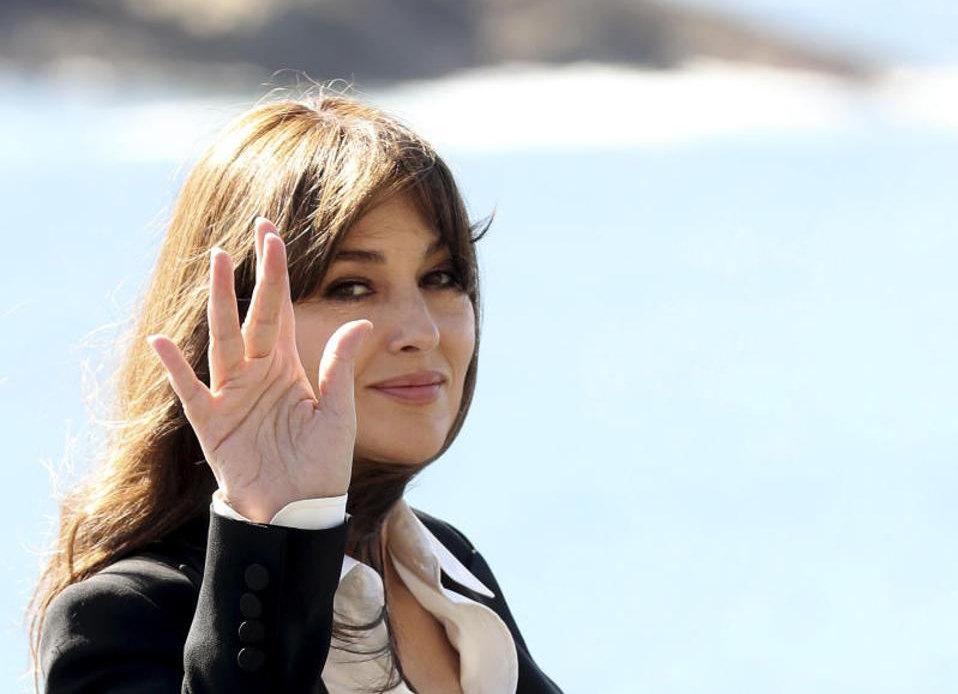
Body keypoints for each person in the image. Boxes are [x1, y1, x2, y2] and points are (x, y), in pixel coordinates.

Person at [28, 92, 563, 693]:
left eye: (440, 277)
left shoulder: (449, 569)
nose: (422, 332)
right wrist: (278, 529)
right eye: (350, 286)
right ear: (228, 323)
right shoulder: (127, 617)